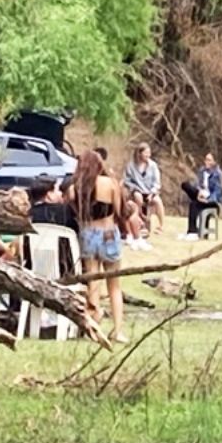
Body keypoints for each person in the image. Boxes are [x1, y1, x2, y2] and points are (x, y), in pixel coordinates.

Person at [66, 150, 128, 344]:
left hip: (88, 234)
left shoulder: (74, 188)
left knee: (93, 282)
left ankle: (95, 322)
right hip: (108, 232)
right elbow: (119, 212)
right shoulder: (110, 184)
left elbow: (76, 212)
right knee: (114, 285)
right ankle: (118, 330)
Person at [180, 153, 222, 241]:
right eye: (206, 159)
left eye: (209, 160)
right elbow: (197, 184)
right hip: (201, 195)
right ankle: (192, 232)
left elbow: (218, 192)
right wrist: (199, 192)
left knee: (193, 204)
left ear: (214, 162)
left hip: (212, 201)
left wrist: (208, 200)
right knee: (185, 185)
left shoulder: (218, 174)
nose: (206, 162)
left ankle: (192, 232)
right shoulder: (202, 171)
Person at [124, 143, 165, 236]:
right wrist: (134, 188)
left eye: (149, 153)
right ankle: (142, 222)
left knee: (158, 201)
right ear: (139, 153)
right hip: (137, 190)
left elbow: (157, 182)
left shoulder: (153, 165)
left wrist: (152, 193)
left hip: (150, 191)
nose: (148, 155)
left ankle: (161, 226)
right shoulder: (131, 165)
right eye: (146, 153)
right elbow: (127, 180)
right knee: (138, 197)